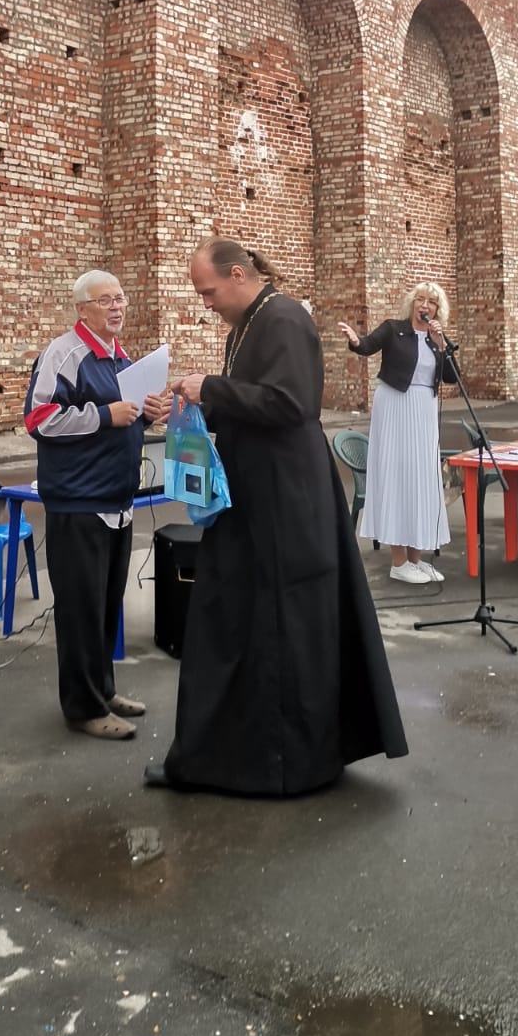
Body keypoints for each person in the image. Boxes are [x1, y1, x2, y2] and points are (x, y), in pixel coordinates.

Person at [145, 239, 407, 796]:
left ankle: (283, 763)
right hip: (253, 496)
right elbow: (248, 402)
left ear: (238, 275)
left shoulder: (283, 319)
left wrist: (211, 387)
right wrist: (194, 404)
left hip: (286, 500)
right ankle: (219, 756)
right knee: (231, 619)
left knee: (282, 626)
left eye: (209, 292)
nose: (206, 304)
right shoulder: (245, 326)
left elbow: (292, 405)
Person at [25, 271, 170, 740]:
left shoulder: (119, 357)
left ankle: (102, 691)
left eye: (120, 298)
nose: (117, 307)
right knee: (81, 612)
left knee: (106, 607)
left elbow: (123, 420)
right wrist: (106, 415)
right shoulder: (64, 354)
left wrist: (145, 415)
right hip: (79, 503)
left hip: (117, 500)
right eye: (105, 300)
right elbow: (39, 419)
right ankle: (83, 708)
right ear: (82, 309)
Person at [339, 283, 457, 586]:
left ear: (438, 309)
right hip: (395, 406)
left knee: (421, 480)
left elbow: (451, 377)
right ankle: (398, 562)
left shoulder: (436, 339)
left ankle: (416, 560)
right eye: (420, 299)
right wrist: (355, 341)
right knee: (398, 478)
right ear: (412, 303)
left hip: (424, 410)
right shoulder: (394, 329)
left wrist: (442, 344)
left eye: (432, 302)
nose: (425, 305)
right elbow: (367, 345)